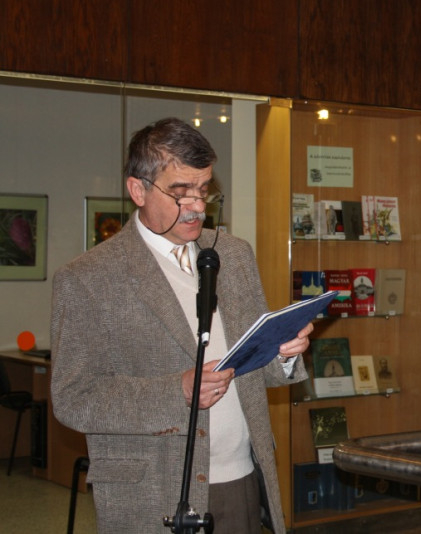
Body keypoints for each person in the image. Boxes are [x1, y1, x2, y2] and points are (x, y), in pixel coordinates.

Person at [50, 117, 313, 532]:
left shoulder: (234, 255)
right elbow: (74, 398)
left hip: (242, 478)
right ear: (138, 190)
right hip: (154, 492)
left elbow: (253, 366)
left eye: (204, 190)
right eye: (180, 192)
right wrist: (179, 391)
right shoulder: (88, 278)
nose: (197, 206)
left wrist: (282, 353)